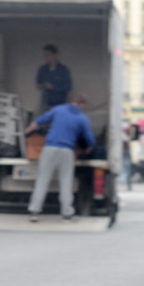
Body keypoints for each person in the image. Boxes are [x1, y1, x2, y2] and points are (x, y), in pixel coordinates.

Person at [25, 93, 95, 221]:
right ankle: (67, 213)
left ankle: (34, 212)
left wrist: (27, 131)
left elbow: (39, 121)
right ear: (82, 105)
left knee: (42, 180)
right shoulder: (82, 117)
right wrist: (89, 148)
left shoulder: (58, 109)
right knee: (66, 182)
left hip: (49, 149)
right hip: (67, 151)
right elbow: (89, 138)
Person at [35, 44, 73, 111]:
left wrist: (53, 87)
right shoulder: (43, 69)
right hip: (46, 105)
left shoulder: (63, 70)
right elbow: (38, 84)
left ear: (55, 55)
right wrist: (43, 85)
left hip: (60, 105)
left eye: (48, 55)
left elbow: (68, 86)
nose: (46, 58)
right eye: (45, 55)